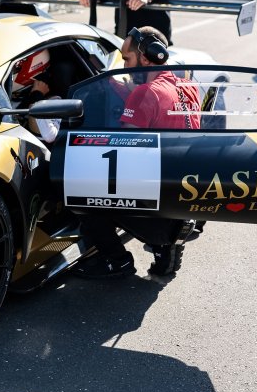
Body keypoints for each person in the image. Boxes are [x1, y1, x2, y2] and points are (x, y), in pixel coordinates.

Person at [71, 26, 200, 279]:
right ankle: (164, 247)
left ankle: (116, 260)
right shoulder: (188, 86)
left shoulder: (145, 94)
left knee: (84, 192)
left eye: (127, 58)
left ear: (146, 57)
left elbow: (123, 149)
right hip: (182, 198)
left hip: (151, 203)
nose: (124, 66)